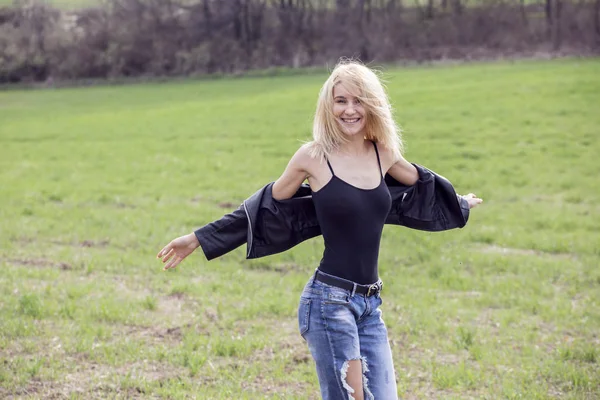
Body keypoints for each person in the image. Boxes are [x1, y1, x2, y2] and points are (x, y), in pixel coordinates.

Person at [157, 60, 482, 399]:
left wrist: (459, 202)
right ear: (329, 105)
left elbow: (421, 183)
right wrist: (198, 238)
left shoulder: (381, 152)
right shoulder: (312, 157)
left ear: (372, 105)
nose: (350, 110)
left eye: (358, 101)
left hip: (370, 304)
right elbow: (262, 208)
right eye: (341, 100)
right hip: (329, 303)